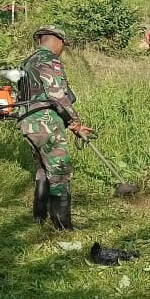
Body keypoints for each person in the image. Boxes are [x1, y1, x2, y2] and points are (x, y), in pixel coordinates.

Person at [16, 26, 92, 230]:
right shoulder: (49, 60)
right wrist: (75, 123)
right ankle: (62, 225)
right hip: (46, 123)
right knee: (60, 171)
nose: (62, 49)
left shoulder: (27, 61)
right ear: (57, 41)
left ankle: (39, 218)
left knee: (43, 169)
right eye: (63, 46)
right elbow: (57, 95)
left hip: (27, 121)